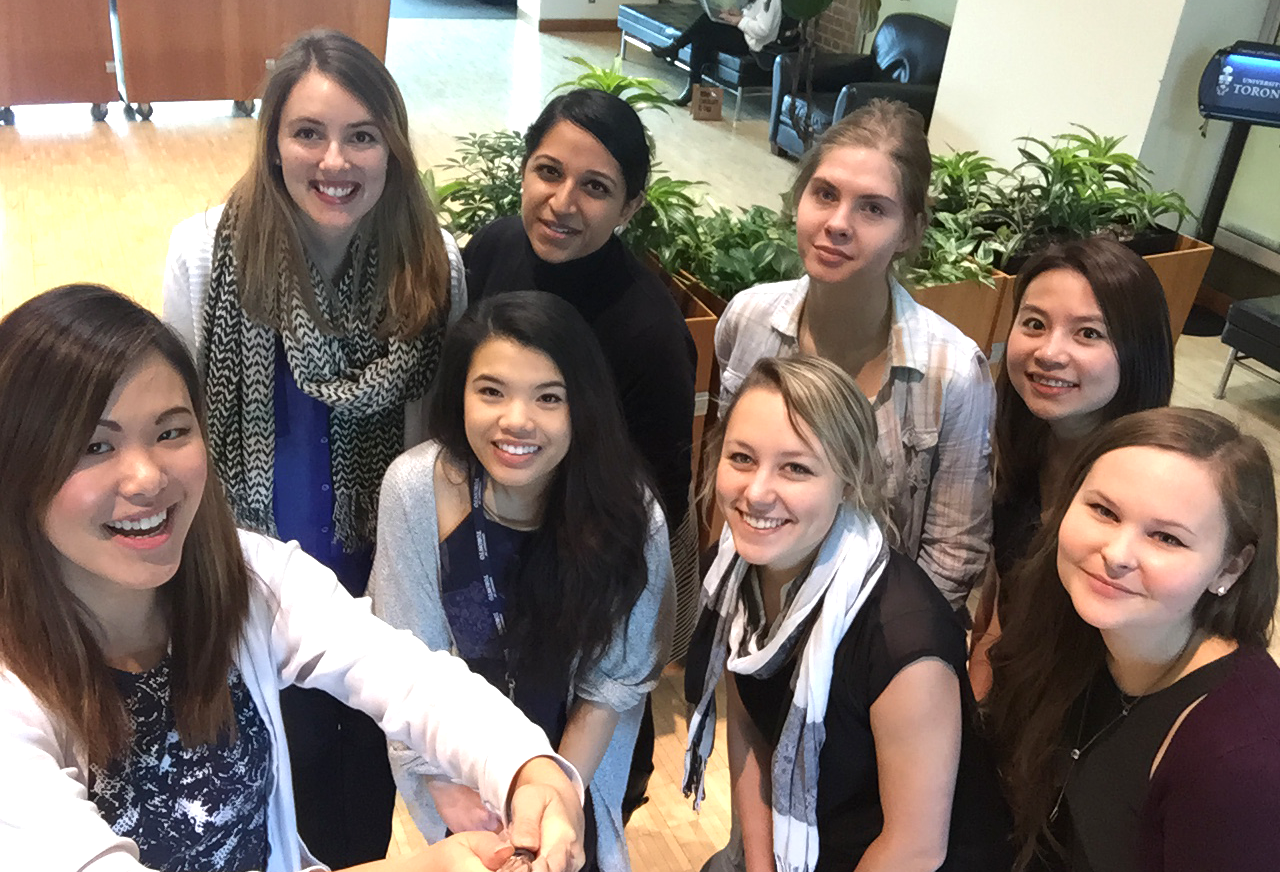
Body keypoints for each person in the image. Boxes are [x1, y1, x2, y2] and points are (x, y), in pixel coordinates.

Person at [0, 284, 585, 872]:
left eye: (171, 431)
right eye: (95, 445)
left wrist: (525, 770)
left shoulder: (243, 574)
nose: (146, 477)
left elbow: (406, 673)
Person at [161, 31, 463, 866]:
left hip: (379, 602)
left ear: (393, 148)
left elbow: (435, 453)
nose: (336, 160)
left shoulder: (433, 268)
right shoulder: (203, 257)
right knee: (260, 812)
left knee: (358, 816)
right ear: (273, 143)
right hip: (245, 597)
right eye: (309, 133)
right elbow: (175, 427)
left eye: (363, 135)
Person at [369, 292, 674, 872]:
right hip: (454, 777)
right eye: (491, 391)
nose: (516, 420)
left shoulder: (630, 516)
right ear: (459, 392)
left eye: (549, 398)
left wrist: (552, 801)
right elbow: (404, 663)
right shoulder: (413, 490)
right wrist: (450, 794)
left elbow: (611, 686)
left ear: (582, 407)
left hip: (576, 772)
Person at [683, 355, 1012, 872]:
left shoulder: (902, 640)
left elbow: (915, 848)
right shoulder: (735, 566)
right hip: (814, 846)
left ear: (850, 480)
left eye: (796, 468)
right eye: (742, 458)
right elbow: (749, 719)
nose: (757, 493)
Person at [463, 88, 697, 815]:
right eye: (548, 172)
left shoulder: (649, 331)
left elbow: (654, 503)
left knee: (585, 803)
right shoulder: (494, 249)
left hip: (591, 582)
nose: (562, 202)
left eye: (595, 188)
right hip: (486, 554)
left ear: (629, 206)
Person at [715, 99, 994, 611]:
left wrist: (890, 653)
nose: (838, 223)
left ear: (908, 231)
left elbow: (953, 551)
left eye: (872, 208)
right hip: (754, 610)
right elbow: (732, 470)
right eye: (824, 194)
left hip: (877, 632)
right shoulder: (748, 320)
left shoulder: (951, 371)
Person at [984, 407, 1280, 871]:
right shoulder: (1070, 629)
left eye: (1166, 538)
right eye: (1103, 511)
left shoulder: (1241, 760)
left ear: (1229, 568)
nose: (1116, 555)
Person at [969, 238, 1174, 697]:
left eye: (1088, 333)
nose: (1050, 352)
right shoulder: (1020, 445)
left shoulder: (1161, 488)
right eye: (1035, 324)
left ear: (1138, 350)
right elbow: (1005, 605)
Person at [651, 1, 783, 106]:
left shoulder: (770, 1)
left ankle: (677, 53)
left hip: (754, 45)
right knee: (705, 26)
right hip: (745, 34)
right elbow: (751, 15)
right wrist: (737, 14)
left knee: (702, 33)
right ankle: (682, 62)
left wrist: (738, 21)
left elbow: (762, 30)